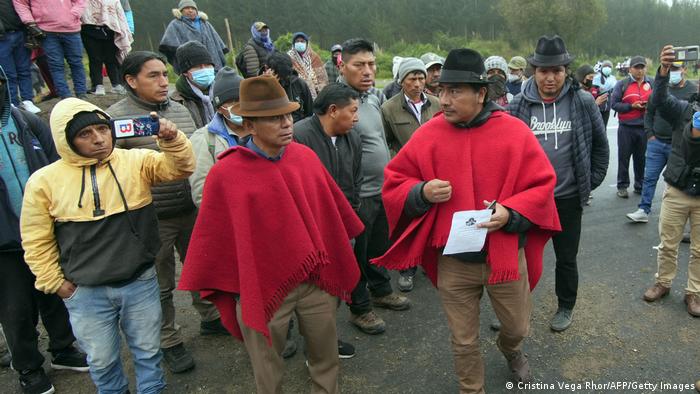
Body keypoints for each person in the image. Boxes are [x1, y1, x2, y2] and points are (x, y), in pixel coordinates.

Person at [373, 47, 560, 392]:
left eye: (454, 91)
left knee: (517, 326)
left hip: (503, 255)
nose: (443, 99)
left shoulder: (515, 133)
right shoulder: (428, 133)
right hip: (454, 260)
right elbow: (394, 183)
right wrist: (422, 192)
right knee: (463, 340)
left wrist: (512, 212)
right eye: (440, 89)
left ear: (481, 93)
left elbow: (542, 186)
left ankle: (511, 349)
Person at [179, 75, 364, 394]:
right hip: (263, 288)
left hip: (315, 282)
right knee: (267, 369)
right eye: (273, 118)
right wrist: (239, 285)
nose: (286, 123)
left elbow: (332, 217)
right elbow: (216, 238)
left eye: (288, 115)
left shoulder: (305, 158)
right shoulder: (227, 172)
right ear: (249, 125)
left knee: (325, 357)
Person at [21, 97, 195, 394]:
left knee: (148, 352)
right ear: (66, 140)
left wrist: (172, 139)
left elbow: (179, 169)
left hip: (139, 280)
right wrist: (56, 283)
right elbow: (36, 239)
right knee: (101, 361)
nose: (99, 139)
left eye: (102, 129)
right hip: (85, 291)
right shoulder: (44, 182)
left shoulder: (134, 161)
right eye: (85, 134)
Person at [108, 51, 227, 374]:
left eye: (164, 74)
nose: (163, 82)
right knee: (159, 283)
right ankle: (168, 339)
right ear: (131, 80)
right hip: (150, 216)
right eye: (153, 76)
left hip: (189, 209)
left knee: (201, 267)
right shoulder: (117, 119)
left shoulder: (180, 109)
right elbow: (113, 169)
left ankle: (210, 317)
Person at [509, 36, 609, 332]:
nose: (550, 77)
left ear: (566, 71)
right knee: (522, 257)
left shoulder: (582, 101)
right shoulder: (518, 104)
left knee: (566, 258)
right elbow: (507, 152)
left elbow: (601, 147)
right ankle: (514, 307)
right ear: (533, 71)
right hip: (530, 199)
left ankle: (565, 306)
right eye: (543, 71)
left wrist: (588, 183)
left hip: (567, 198)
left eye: (557, 70)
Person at [0, 67, 88, 394]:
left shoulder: (24, 120)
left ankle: (64, 349)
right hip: (5, 243)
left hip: (45, 229)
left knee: (54, 293)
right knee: (16, 308)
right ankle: (28, 367)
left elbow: (56, 160)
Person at [339, 38, 410, 335]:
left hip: (381, 189)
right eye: (359, 65)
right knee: (356, 253)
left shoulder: (372, 98)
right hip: (358, 195)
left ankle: (381, 291)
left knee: (378, 247)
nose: (367, 71)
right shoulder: (338, 102)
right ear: (342, 66)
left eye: (371, 64)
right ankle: (360, 307)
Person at [293, 82, 363, 359]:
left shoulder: (351, 137)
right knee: (306, 289)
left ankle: (324, 341)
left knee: (335, 285)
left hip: (342, 228)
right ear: (333, 110)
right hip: (310, 231)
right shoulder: (299, 137)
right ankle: (309, 342)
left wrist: (351, 216)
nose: (357, 117)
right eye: (353, 110)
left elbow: (354, 181)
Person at [642, 44, 700, 317]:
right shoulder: (685, 110)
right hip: (677, 189)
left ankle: (694, 293)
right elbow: (659, 100)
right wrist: (663, 71)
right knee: (668, 243)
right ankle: (663, 283)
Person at [381, 57, 439, 291]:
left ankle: (432, 261)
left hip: (434, 170)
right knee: (409, 219)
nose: (417, 83)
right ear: (401, 81)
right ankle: (408, 268)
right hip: (408, 173)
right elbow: (387, 140)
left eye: (420, 78)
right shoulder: (389, 108)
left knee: (434, 217)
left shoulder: (436, 103)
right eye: (412, 78)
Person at [627, 61, 697, 223]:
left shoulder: (692, 91)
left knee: (679, 182)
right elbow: (649, 113)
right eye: (671, 69)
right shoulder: (660, 91)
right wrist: (650, 133)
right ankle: (643, 209)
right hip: (657, 142)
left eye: (676, 69)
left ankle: (679, 218)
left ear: (684, 70)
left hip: (679, 146)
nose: (673, 72)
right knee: (649, 177)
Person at [189, 66, 246, 206]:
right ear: (220, 108)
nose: (239, 105)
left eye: (243, 99)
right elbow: (202, 193)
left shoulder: (261, 131)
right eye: (232, 101)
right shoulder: (205, 138)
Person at [12, 0, 88, 100]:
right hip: (46, 31)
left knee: (76, 62)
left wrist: (74, 13)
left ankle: (81, 93)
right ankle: (65, 96)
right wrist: (29, 22)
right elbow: (20, 3)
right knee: (55, 65)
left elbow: (80, 1)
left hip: (71, 28)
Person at [611, 55, 653, 198]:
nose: (640, 71)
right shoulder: (622, 84)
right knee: (624, 157)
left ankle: (639, 185)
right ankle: (622, 186)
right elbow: (614, 104)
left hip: (644, 128)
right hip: (626, 128)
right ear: (630, 69)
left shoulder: (651, 83)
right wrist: (631, 106)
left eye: (642, 67)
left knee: (641, 158)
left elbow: (659, 101)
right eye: (637, 67)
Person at [158, 0, 227, 73]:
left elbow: (217, 42)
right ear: (181, 11)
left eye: (193, 8)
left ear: (197, 11)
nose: (190, 10)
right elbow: (169, 45)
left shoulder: (205, 23)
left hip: (212, 63)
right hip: (191, 65)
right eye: (187, 8)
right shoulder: (175, 24)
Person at [80, 0, 132, 96]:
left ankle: (116, 84)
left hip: (110, 29)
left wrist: (128, 28)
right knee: (95, 58)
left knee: (111, 58)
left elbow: (120, 10)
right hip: (89, 29)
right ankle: (98, 85)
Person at [0, 0, 41, 113]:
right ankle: (13, 103)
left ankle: (28, 100)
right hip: (2, 39)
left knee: (24, 69)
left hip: (20, 32)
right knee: (8, 74)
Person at [170, 41, 216, 129]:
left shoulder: (223, 91)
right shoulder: (177, 101)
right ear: (185, 72)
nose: (204, 70)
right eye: (198, 67)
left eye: (207, 65)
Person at [263, 52, 312, 123]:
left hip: (297, 125)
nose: (283, 81)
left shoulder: (299, 83)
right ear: (267, 69)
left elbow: (309, 112)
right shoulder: (260, 86)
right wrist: (270, 86)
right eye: (279, 77)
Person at [287, 32, 328, 99]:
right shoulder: (288, 58)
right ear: (293, 44)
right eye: (297, 41)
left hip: (315, 95)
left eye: (302, 41)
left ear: (307, 43)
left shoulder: (314, 57)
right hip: (295, 93)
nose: (300, 43)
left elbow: (322, 78)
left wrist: (320, 92)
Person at [592, 59, 616, 126]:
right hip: (598, 107)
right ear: (602, 68)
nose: (607, 68)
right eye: (606, 66)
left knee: (604, 126)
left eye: (609, 67)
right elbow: (594, 89)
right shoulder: (597, 78)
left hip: (607, 108)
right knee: (597, 126)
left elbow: (615, 90)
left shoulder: (613, 79)